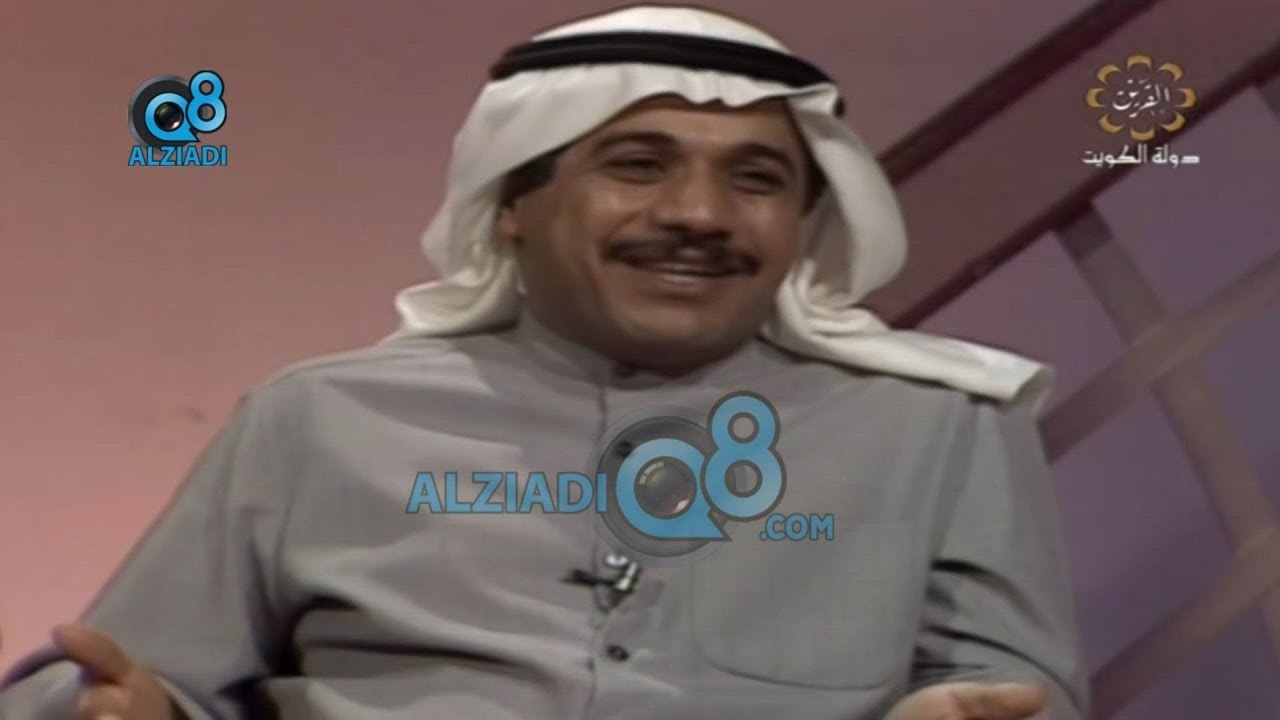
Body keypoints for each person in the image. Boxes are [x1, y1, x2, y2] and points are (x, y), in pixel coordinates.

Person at [0, 5, 1089, 719]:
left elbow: (1011, 690)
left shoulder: (941, 426)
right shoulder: (320, 419)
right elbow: (121, 682)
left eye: (756, 179)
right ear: (512, 205)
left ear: (806, 220)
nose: (700, 214)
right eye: (638, 165)